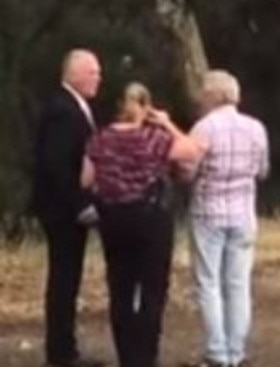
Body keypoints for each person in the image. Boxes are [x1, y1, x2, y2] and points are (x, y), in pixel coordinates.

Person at [82, 82, 202, 367]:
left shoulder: (99, 139)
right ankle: (146, 356)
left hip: (113, 218)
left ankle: (126, 356)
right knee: (152, 288)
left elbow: (85, 180)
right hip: (150, 218)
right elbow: (191, 151)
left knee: (120, 287)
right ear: (145, 107)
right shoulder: (153, 138)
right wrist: (167, 123)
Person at [184, 70, 270, 367]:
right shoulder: (256, 128)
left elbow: (188, 169)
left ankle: (217, 352)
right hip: (243, 212)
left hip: (208, 211)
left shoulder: (203, 128)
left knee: (208, 282)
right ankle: (237, 351)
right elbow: (262, 170)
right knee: (238, 283)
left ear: (211, 96)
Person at [32, 49, 103, 367]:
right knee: (63, 280)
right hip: (63, 211)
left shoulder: (74, 106)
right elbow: (57, 165)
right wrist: (80, 204)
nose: (98, 78)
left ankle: (65, 348)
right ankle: (61, 353)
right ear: (73, 73)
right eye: (92, 72)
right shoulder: (63, 109)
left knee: (68, 279)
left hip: (65, 208)